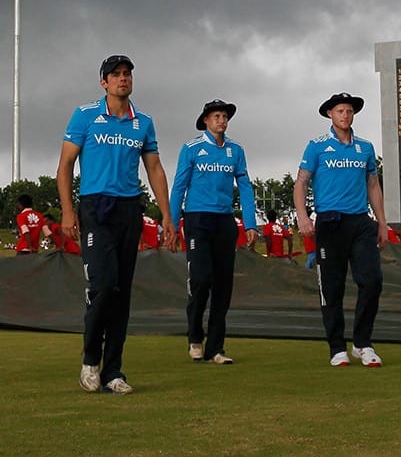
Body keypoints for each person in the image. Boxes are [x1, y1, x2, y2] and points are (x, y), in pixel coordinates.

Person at [57, 54, 177, 395]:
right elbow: (65, 165)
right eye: (116, 74)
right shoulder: (85, 115)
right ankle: (90, 361)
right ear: (104, 82)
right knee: (104, 286)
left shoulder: (143, 123)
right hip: (95, 207)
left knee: (121, 293)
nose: (123, 79)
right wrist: (68, 210)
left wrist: (166, 215)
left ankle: (114, 371)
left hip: (128, 210)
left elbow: (154, 168)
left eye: (127, 74)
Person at [294, 92, 388, 368]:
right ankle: (337, 347)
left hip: (360, 222)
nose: (345, 116)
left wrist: (382, 222)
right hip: (330, 222)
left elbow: (373, 185)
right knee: (332, 288)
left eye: (349, 111)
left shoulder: (365, 147)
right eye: (340, 111)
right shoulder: (317, 146)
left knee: (372, 281)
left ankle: (362, 343)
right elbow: (300, 183)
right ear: (329, 115)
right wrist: (303, 217)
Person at [170, 99, 259, 365]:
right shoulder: (192, 148)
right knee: (200, 280)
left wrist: (251, 223)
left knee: (223, 285)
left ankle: (216, 348)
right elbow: (178, 187)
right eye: (216, 116)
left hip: (224, 221)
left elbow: (245, 187)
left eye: (224, 116)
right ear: (206, 120)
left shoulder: (235, 150)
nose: (222, 120)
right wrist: (173, 225)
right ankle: (195, 337)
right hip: (197, 220)